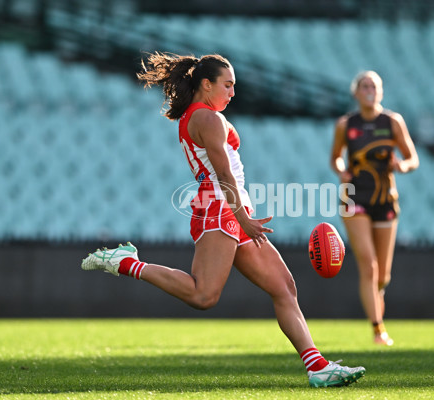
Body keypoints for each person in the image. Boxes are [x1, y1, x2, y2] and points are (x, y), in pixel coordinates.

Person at [81, 52, 365, 388]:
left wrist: (241, 213)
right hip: (220, 208)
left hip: (226, 206)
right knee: (204, 296)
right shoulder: (206, 119)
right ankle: (128, 263)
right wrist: (242, 217)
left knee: (284, 287)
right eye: (227, 85)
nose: (232, 93)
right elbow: (223, 172)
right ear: (206, 84)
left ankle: (317, 367)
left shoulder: (201, 117)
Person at [330, 71, 419, 346]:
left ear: (380, 92)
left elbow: (412, 157)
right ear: (356, 92)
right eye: (364, 86)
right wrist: (342, 171)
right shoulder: (346, 124)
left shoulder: (393, 122)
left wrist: (401, 166)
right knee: (368, 265)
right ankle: (378, 330)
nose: (370, 90)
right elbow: (335, 158)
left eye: (374, 86)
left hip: (384, 198)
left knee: (382, 275)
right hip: (354, 197)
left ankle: (376, 307)